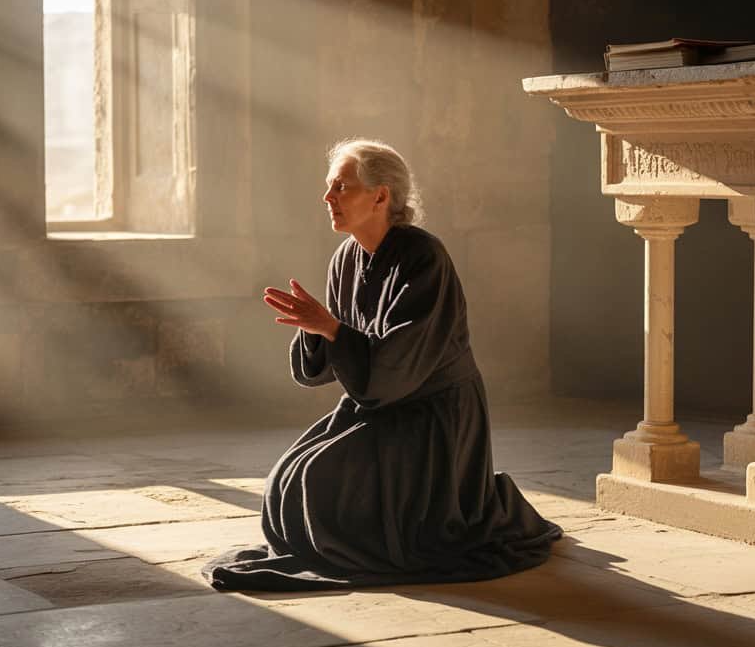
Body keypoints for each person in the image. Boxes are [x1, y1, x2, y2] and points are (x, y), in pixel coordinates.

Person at [202, 138, 562, 591]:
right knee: (286, 479)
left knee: (321, 478)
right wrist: (317, 328)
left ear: (380, 196)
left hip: (432, 413)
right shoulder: (345, 258)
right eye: (329, 187)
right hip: (378, 402)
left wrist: (331, 328)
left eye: (341, 187)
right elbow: (328, 364)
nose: (328, 198)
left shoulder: (424, 256)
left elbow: (397, 363)